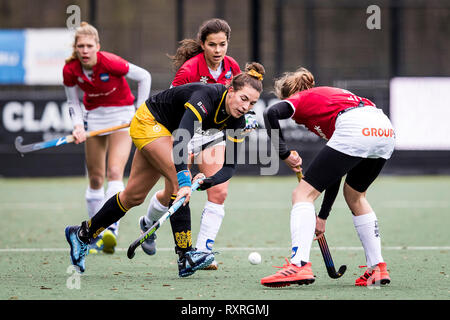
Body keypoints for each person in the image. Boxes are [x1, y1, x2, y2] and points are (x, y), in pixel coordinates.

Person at [64, 62, 265, 278]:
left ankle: (82, 234)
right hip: (149, 122)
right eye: (243, 99)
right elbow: (181, 140)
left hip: (165, 132)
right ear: (231, 90)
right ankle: (186, 255)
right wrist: (186, 181)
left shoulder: (238, 120)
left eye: (252, 103)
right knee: (180, 183)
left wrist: (208, 180)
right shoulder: (205, 97)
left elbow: (229, 167)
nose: (246, 107)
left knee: (133, 196)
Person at [140, 19, 258, 271]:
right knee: (174, 189)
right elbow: (176, 112)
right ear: (203, 44)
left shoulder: (232, 67)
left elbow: (240, 100)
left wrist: (245, 117)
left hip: (212, 133)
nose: (218, 50)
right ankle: (149, 223)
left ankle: (203, 251)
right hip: (185, 130)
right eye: (212, 44)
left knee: (219, 190)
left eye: (223, 44)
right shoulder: (188, 70)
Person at [260, 67, 395, 287]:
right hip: (384, 129)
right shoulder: (330, 102)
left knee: (301, 194)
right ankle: (377, 268)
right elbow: (335, 174)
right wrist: (322, 216)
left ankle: (299, 264)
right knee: (356, 196)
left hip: (356, 127)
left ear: (290, 96)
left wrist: (283, 153)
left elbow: (271, 114)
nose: (294, 121)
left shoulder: (301, 98)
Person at [63, 22, 151, 255]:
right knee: (95, 178)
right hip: (95, 119)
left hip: (122, 115)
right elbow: (73, 101)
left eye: (89, 45)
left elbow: (144, 76)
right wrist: (78, 126)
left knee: (114, 172)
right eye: (80, 46)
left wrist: (139, 111)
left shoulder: (110, 62)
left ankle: (111, 228)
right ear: (76, 48)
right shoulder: (71, 70)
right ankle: (91, 234)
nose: (84, 50)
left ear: (97, 47)